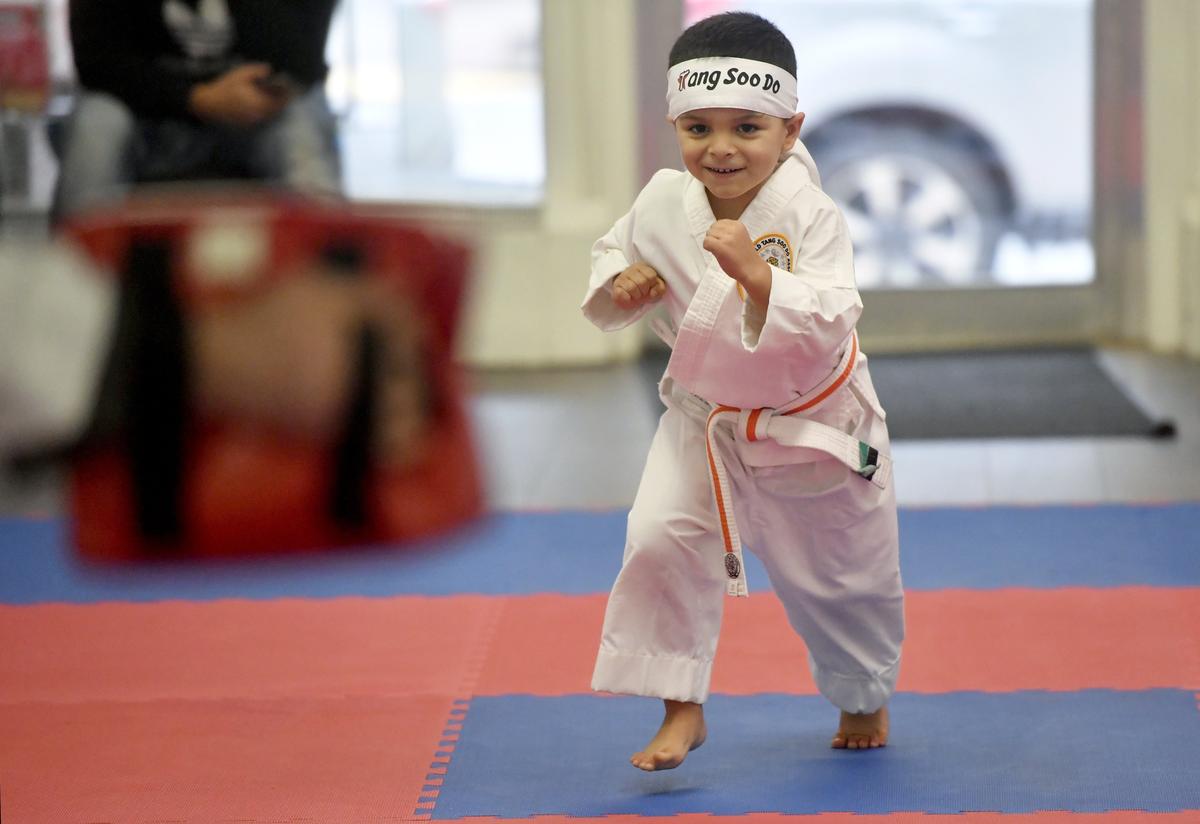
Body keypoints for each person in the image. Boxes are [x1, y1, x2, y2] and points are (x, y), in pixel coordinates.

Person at [581, 12, 905, 771]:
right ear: (675, 127)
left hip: (812, 421)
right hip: (706, 416)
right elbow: (611, 255)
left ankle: (861, 688)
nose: (720, 148)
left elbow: (833, 314)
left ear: (790, 130)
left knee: (843, 576)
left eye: (747, 128)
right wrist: (623, 283)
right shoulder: (663, 202)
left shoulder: (809, 216)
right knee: (660, 539)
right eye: (698, 127)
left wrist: (760, 278)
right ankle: (681, 706)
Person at [52, 0, 341, 221]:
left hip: (255, 110)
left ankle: (327, 268)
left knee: (301, 121)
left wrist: (276, 87)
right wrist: (199, 98)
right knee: (97, 124)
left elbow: (304, 61)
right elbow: (96, 62)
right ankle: (77, 270)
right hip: (140, 110)